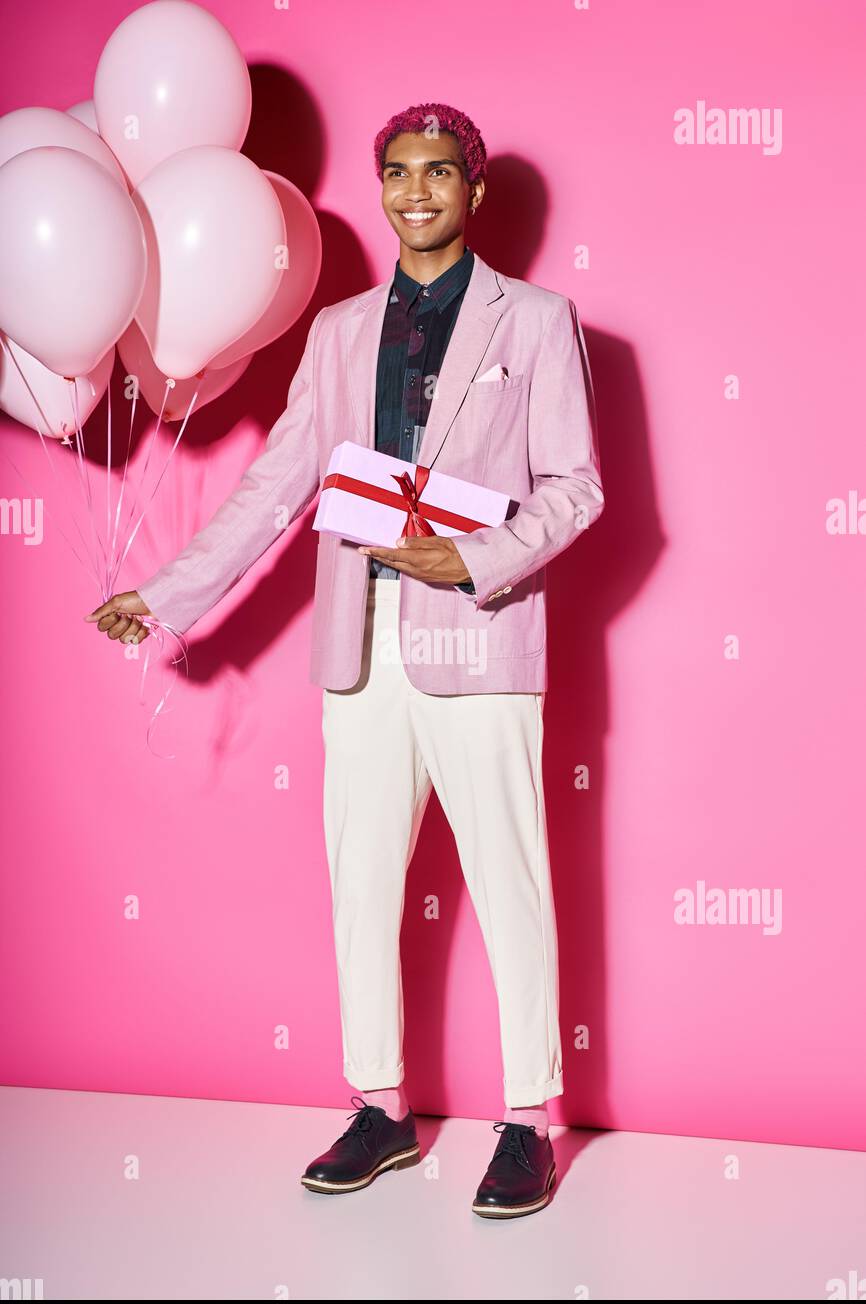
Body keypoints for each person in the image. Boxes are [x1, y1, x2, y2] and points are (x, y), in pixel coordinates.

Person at [86, 102, 604, 1219]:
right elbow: (275, 487)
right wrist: (168, 597)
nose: (414, 193)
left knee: (510, 879)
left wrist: (470, 557)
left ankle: (529, 1124)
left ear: (473, 187)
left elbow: (576, 487)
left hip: (478, 630)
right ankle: (381, 1108)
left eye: (436, 173)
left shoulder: (539, 320)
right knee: (359, 883)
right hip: (357, 643)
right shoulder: (336, 333)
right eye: (396, 174)